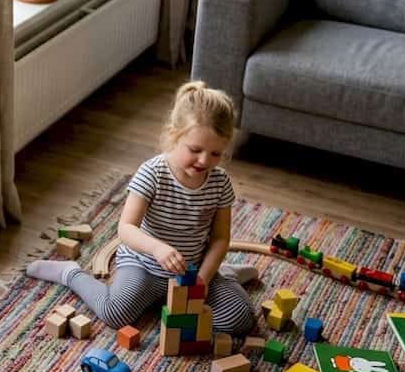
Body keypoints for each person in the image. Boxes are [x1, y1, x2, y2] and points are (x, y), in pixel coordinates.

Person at [26, 81, 257, 335]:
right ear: (173, 134)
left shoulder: (219, 182)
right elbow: (126, 229)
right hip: (144, 266)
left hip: (192, 270)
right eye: (195, 149)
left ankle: (224, 274)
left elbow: (220, 239)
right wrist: (157, 248)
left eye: (215, 154)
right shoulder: (152, 173)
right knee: (115, 313)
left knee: (240, 319)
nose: (204, 160)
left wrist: (203, 278)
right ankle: (70, 274)